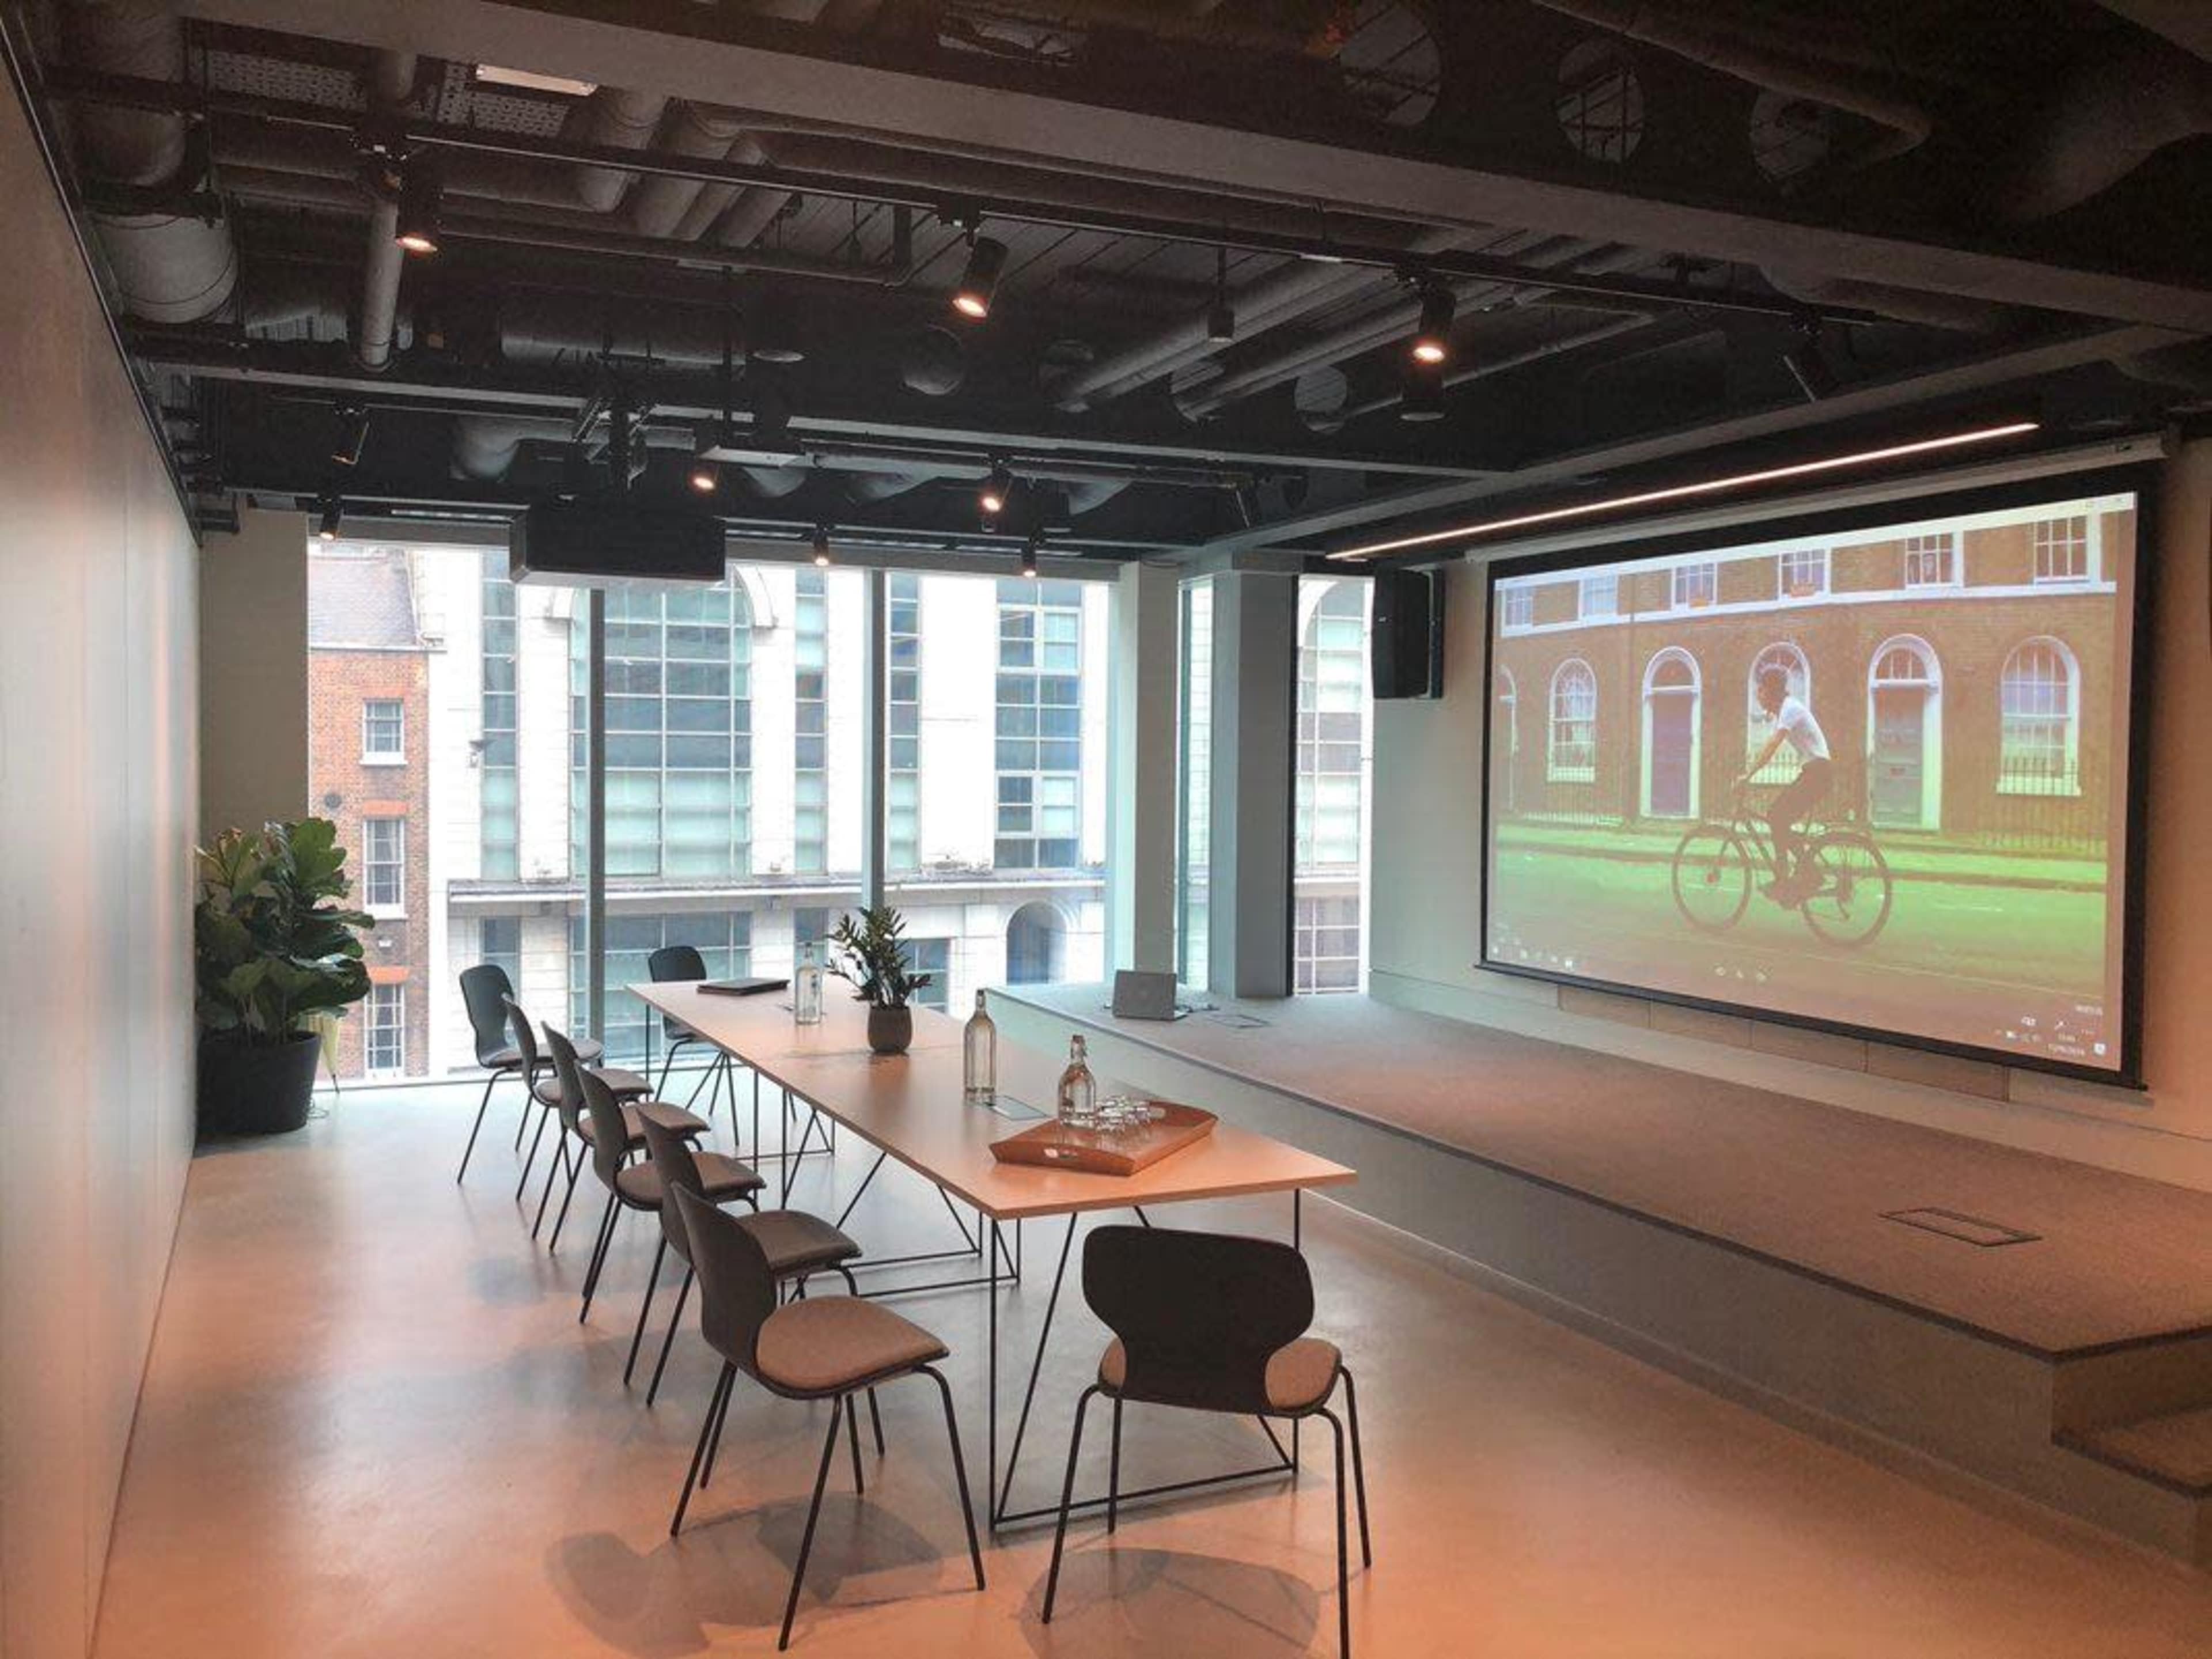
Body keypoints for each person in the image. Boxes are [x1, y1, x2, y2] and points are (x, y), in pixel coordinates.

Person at [1738, 664, 1833, 906]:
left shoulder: (1791, 709)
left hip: (1818, 773)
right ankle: (1792, 878)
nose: (1758, 696)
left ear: (1771, 691)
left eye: (1760, 690)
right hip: (1813, 772)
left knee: (1776, 816)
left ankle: (1796, 878)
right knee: (1779, 818)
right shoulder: (1785, 711)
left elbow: (1772, 747)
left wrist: (1747, 775)